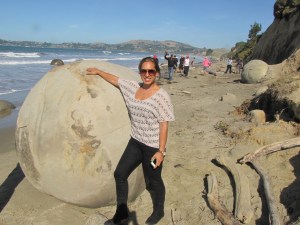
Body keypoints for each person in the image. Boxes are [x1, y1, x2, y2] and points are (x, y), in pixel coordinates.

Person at [86, 57, 175, 225]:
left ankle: (159, 210)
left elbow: (164, 125)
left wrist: (161, 151)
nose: (147, 74)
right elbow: (115, 79)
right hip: (135, 141)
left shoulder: (162, 96)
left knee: (154, 180)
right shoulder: (132, 86)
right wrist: (98, 71)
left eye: (151, 71)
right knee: (120, 174)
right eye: (144, 71)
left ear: (156, 73)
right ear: (140, 72)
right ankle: (122, 212)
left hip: (152, 146)